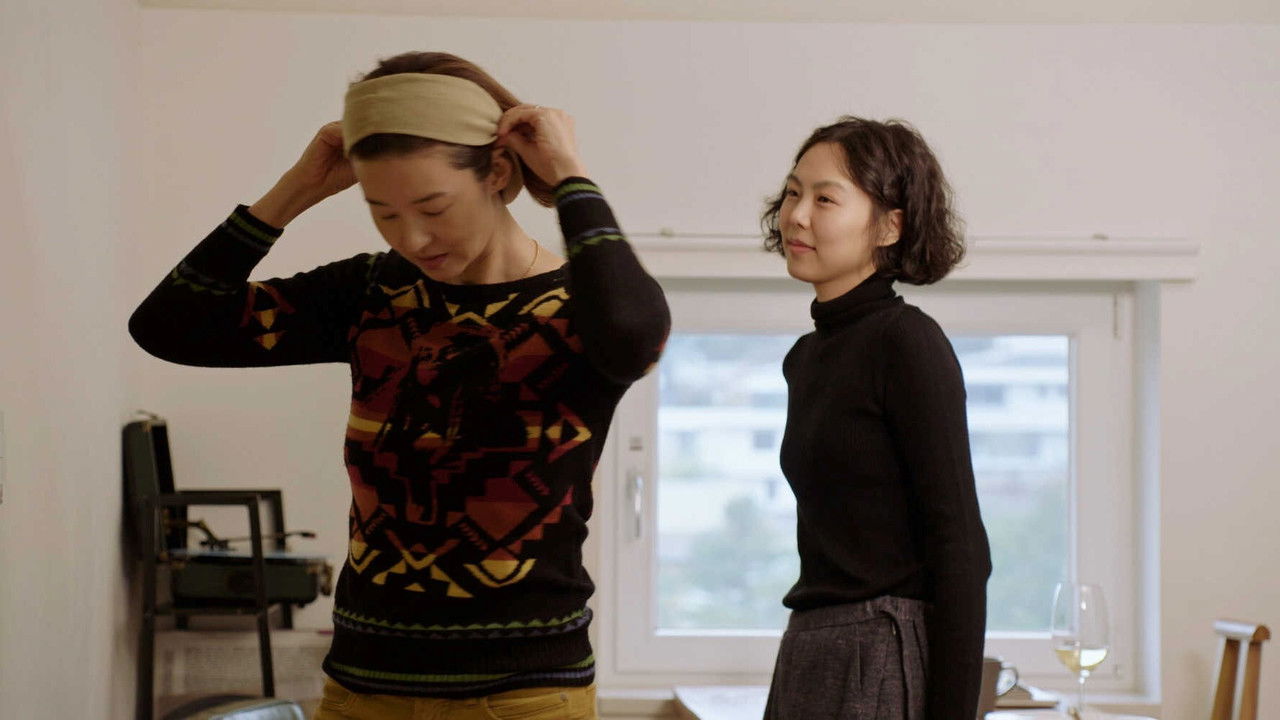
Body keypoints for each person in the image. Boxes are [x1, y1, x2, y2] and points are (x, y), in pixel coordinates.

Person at [129, 51, 670, 720]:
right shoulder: (370, 292)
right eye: (383, 212)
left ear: (498, 172)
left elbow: (636, 336)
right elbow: (169, 326)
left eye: (433, 207)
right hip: (362, 687)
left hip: (525, 694)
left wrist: (568, 176)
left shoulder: (578, 310)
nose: (413, 238)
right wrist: (295, 189)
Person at [760, 117, 992, 720]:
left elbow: (962, 546)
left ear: (890, 225)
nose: (796, 216)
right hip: (810, 644)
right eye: (792, 193)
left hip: (879, 649)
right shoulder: (806, 356)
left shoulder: (906, 341)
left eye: (825, 199)